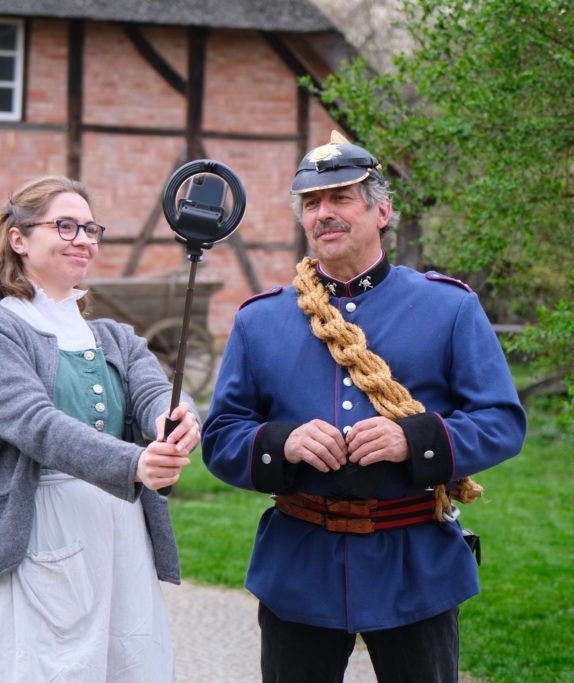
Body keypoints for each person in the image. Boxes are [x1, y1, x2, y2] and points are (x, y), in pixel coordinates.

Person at [202, 133, 527, 682]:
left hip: (414, 565)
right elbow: (222, 437)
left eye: (341, 198)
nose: (323, 213)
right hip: (300, 564)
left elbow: (501, 421)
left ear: (383, 210)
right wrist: (282, 443)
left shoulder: (448, 307)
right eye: (311, 203)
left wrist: (415, 439)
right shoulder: (260, 321)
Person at [0, 175, 198, 682]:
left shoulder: (114, 336)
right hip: (36, 529)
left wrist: (174, 418)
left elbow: (153, 390)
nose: (83, 239)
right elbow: (36, 424)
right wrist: (133, 462)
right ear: (19, 240)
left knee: (122, 661)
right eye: (65, 226)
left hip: (122, 535)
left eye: (89, 228)